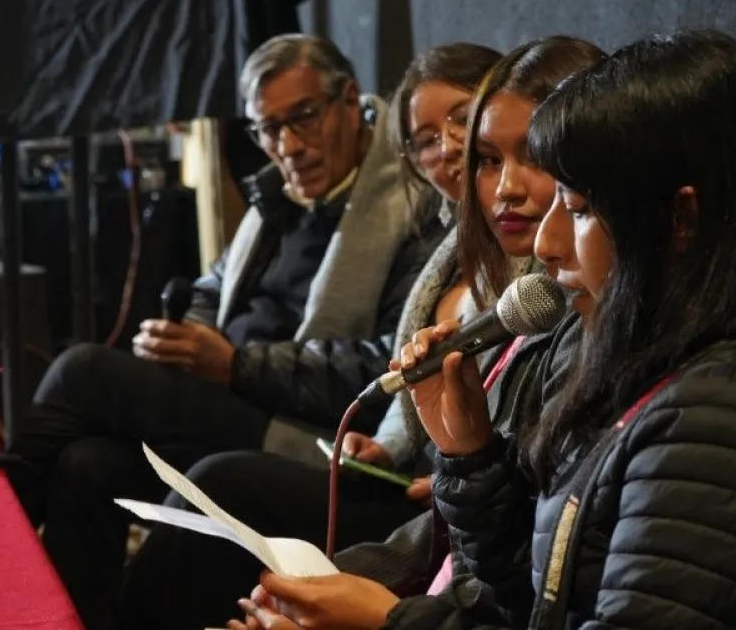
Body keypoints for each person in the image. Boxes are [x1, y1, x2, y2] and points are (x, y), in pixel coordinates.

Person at [232, 30, 736, 630]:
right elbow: (540, 598)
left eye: (582, 208)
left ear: (679, 220)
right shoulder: (657, 361)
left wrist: (388, 621)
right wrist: (470, 456)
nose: (551, 242)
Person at [126, 37, 604, 630]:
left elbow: (513, 582)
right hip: (402, 479)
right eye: (484, 157)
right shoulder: (284, 205)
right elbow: (481, 549)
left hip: (394, 480)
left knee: (175, 443)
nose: (501, 183)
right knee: (98, 460)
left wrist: (387, 613)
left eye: (463, 126)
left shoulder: (555, 311)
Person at [6, 33, 446, 630]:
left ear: (349, 102)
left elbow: (383, 364)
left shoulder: (413, 204)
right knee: (90, 464)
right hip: (228, 396)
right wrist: (184, 336)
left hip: (306, 428)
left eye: (304, 119)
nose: (288, 146)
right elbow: (214, 287)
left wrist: (236, 364)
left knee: (82, 371)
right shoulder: (278, 198)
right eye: (267, 130)